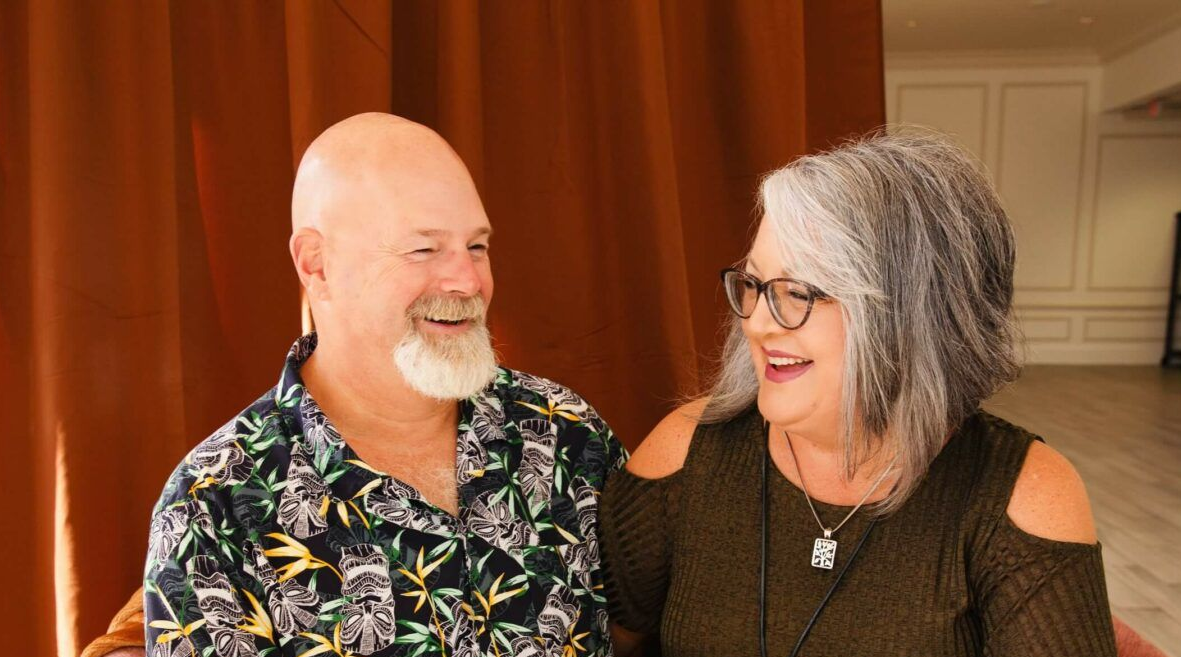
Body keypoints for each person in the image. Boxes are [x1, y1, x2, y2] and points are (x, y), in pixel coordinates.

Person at [600, 131, 1119, 657]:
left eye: (798, 293)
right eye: (755, 285)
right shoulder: (685, 453)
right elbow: (613, 644)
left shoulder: (1023, 496)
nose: (756, 324)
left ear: (914, 317)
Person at [133, 113, 626, 657]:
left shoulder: (566, 433)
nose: (467, 281)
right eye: (423, 249)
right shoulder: (213, 508)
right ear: (316, 263)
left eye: (478, 246)